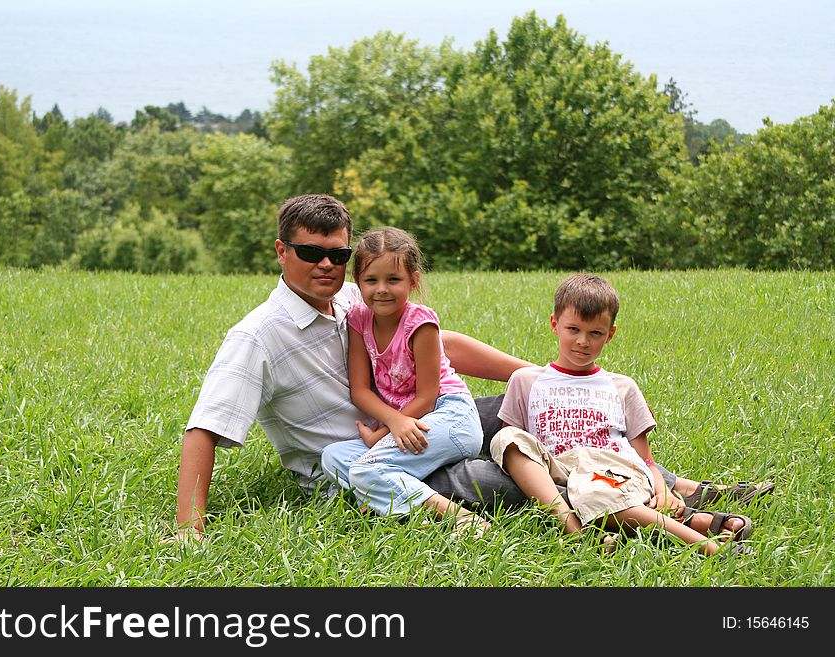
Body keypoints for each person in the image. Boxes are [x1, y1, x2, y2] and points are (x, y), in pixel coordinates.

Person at [172, 192, 771, 541]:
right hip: (368, 464)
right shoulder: (256, 337)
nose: (326, 264)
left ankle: (682, 492)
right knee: (502, 480)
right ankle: (624, 515)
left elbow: (438, 347)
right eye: (310, 253)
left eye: (338, 254)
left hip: (424, 422)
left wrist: (537, 377)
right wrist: (189, 533)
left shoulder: (356, 300)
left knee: (549, 418)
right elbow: (204, 427)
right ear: (281, 252)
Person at [488, 273, 753, 555]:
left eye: (595, 333)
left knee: (596, 492)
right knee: (506, 438)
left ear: (610, 334)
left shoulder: (622, 386)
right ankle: (575, 527)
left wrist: (662, 490)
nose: (582, 342)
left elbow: (644, 457)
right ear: (555, 325)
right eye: (573, 329)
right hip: (560, 467)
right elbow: (513, 451)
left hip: (610, 468)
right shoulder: (525, 380)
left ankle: (708, 548)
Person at [319, 227, 488, 536]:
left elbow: (427, 395)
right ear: (358, 282)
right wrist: (390, 426)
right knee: (333, 456)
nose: (381, 289)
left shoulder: (420, 323)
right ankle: (408, 513)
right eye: (371, 280)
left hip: (448, 417)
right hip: (404, 422)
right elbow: (360, 390)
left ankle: (460, 517)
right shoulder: (359, 319)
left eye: (393, 280)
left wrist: (385, 430)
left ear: (413, 280)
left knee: (366, 468)